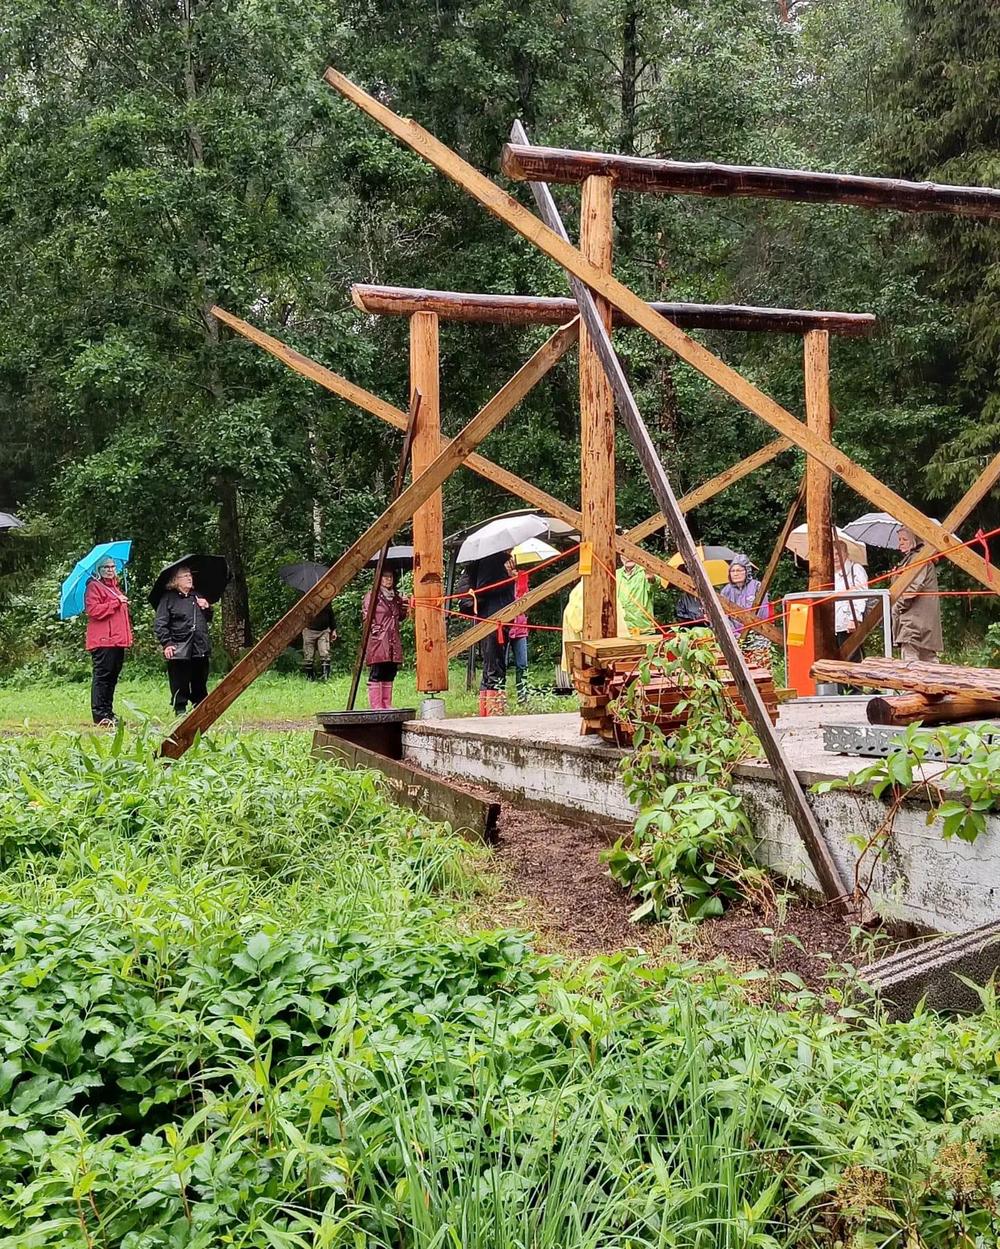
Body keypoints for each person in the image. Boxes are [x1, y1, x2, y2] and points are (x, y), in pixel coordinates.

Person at [154, 566, 213, 714]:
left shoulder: (197, 596)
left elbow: (208, 618)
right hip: (179, 645)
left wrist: (207, 607)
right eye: (185, 576)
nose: (189, 578)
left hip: (199, 644)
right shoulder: (168, 598)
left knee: (200, 678)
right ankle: (180, 708)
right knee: (180, 679)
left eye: (190, 575)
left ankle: (200, 706)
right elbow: (160, 623)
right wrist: (167, 643)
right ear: (175, 580)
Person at [84, 556, 133, 726]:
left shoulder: (115, 588)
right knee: (103, 677)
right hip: (103, 640)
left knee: (112, 677)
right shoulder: (94, 586)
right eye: (106, 567)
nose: (110, 570)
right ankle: (100, 714)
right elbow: (93, 610)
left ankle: (108, 712)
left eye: (112, 566)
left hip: (117, 640)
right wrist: (115, 602)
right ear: (99, 570)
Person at [891, 526, 943, 663]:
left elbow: (912, 589)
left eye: (905, 539)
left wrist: (896, 607)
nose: (901, 543)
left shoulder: (919, 558)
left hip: (914, 619)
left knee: (911, 662)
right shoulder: (911, 559)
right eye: (899, 539)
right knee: (928, 660)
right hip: (919, 620)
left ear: (914, 540)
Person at [469, 552, 515, 697]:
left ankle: (488, 705)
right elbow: (484, 587)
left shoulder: (497, 559)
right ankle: (494, 707)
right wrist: (508, 578)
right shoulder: (491, 559)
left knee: (492, 666)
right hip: (493, 618)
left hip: (499, 617)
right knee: (494, 668)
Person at [362, 568, 408, 708]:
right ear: (379, 579)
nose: (389, 579)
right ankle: (377, 707)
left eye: (391, 577)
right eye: (385, 577)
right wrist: (375, 630)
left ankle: (387, 705)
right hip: (379, 639)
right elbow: (367, 615)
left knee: (390, 671)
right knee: (377, 671)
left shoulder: (396, 598)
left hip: (393, 638)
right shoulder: (372, 595)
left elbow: (400, 617)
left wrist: (404, 605)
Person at [561, 578, 629, 671]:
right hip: (587, 655)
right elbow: (578, 623)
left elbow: (620, 615)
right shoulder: (583, 590)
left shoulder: (606, 588)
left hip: (614, 651)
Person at [719, 554, 771, 661]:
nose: (735, 574)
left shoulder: (757, 587)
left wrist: (753, 631)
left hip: (757, 635)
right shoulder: (726, 591)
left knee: (760, 664)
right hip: (734, 637)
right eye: (733, 571)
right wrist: (734, 634)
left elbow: (763, 612)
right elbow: (723, 615)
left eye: (739, 570)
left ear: (747, 571)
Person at [833, 538, 871, 655]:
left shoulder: (856, 569)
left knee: (852, 657)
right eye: (832, 554)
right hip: (835, 624)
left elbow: (861, 596)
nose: (835, 557)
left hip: (848, 622)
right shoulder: (832, 574)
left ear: (846, 554)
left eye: (838, 553)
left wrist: (854, 619)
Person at [505, 555, 530, 702]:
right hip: (504, 627)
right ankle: (500, 696)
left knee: (522, 664)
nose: (509, 565)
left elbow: (526, 601)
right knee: (501, 664)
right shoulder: (500, 580)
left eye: (511, 562)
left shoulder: (522, 578)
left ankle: (523, 696)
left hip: (520, 627)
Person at [617, 556, 655, 635]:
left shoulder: (645, 572)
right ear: (621, 556)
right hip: (621, 629)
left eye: (631, 554)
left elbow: (655, 585)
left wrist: (652, 579)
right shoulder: (616, 574)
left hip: (643, 628)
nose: (628, 557)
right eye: (625, 554)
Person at [301, 602, 337, 681]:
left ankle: (325, 677)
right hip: (309, 630)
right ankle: (310, 677)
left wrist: (333, 630)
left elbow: (331, 614)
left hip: (323, 630)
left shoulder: (325, 599)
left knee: (325, 653)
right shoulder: (305, 600)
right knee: (308, 655)